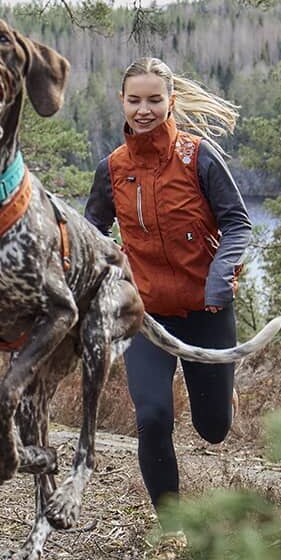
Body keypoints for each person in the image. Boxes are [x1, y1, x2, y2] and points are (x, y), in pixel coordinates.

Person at [84, 57, 252, 514]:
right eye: (134, 100)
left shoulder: (198, 157)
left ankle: (222, 395)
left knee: (213, 428)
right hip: (146, 315)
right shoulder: (112, 168)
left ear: (170, 101)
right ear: (122, 101)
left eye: (154, 100)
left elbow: (238, 223)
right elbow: (92, 233)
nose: (144, 109)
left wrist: (220, 279)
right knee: (153, 417)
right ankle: (172, 528)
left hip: (206, 309)